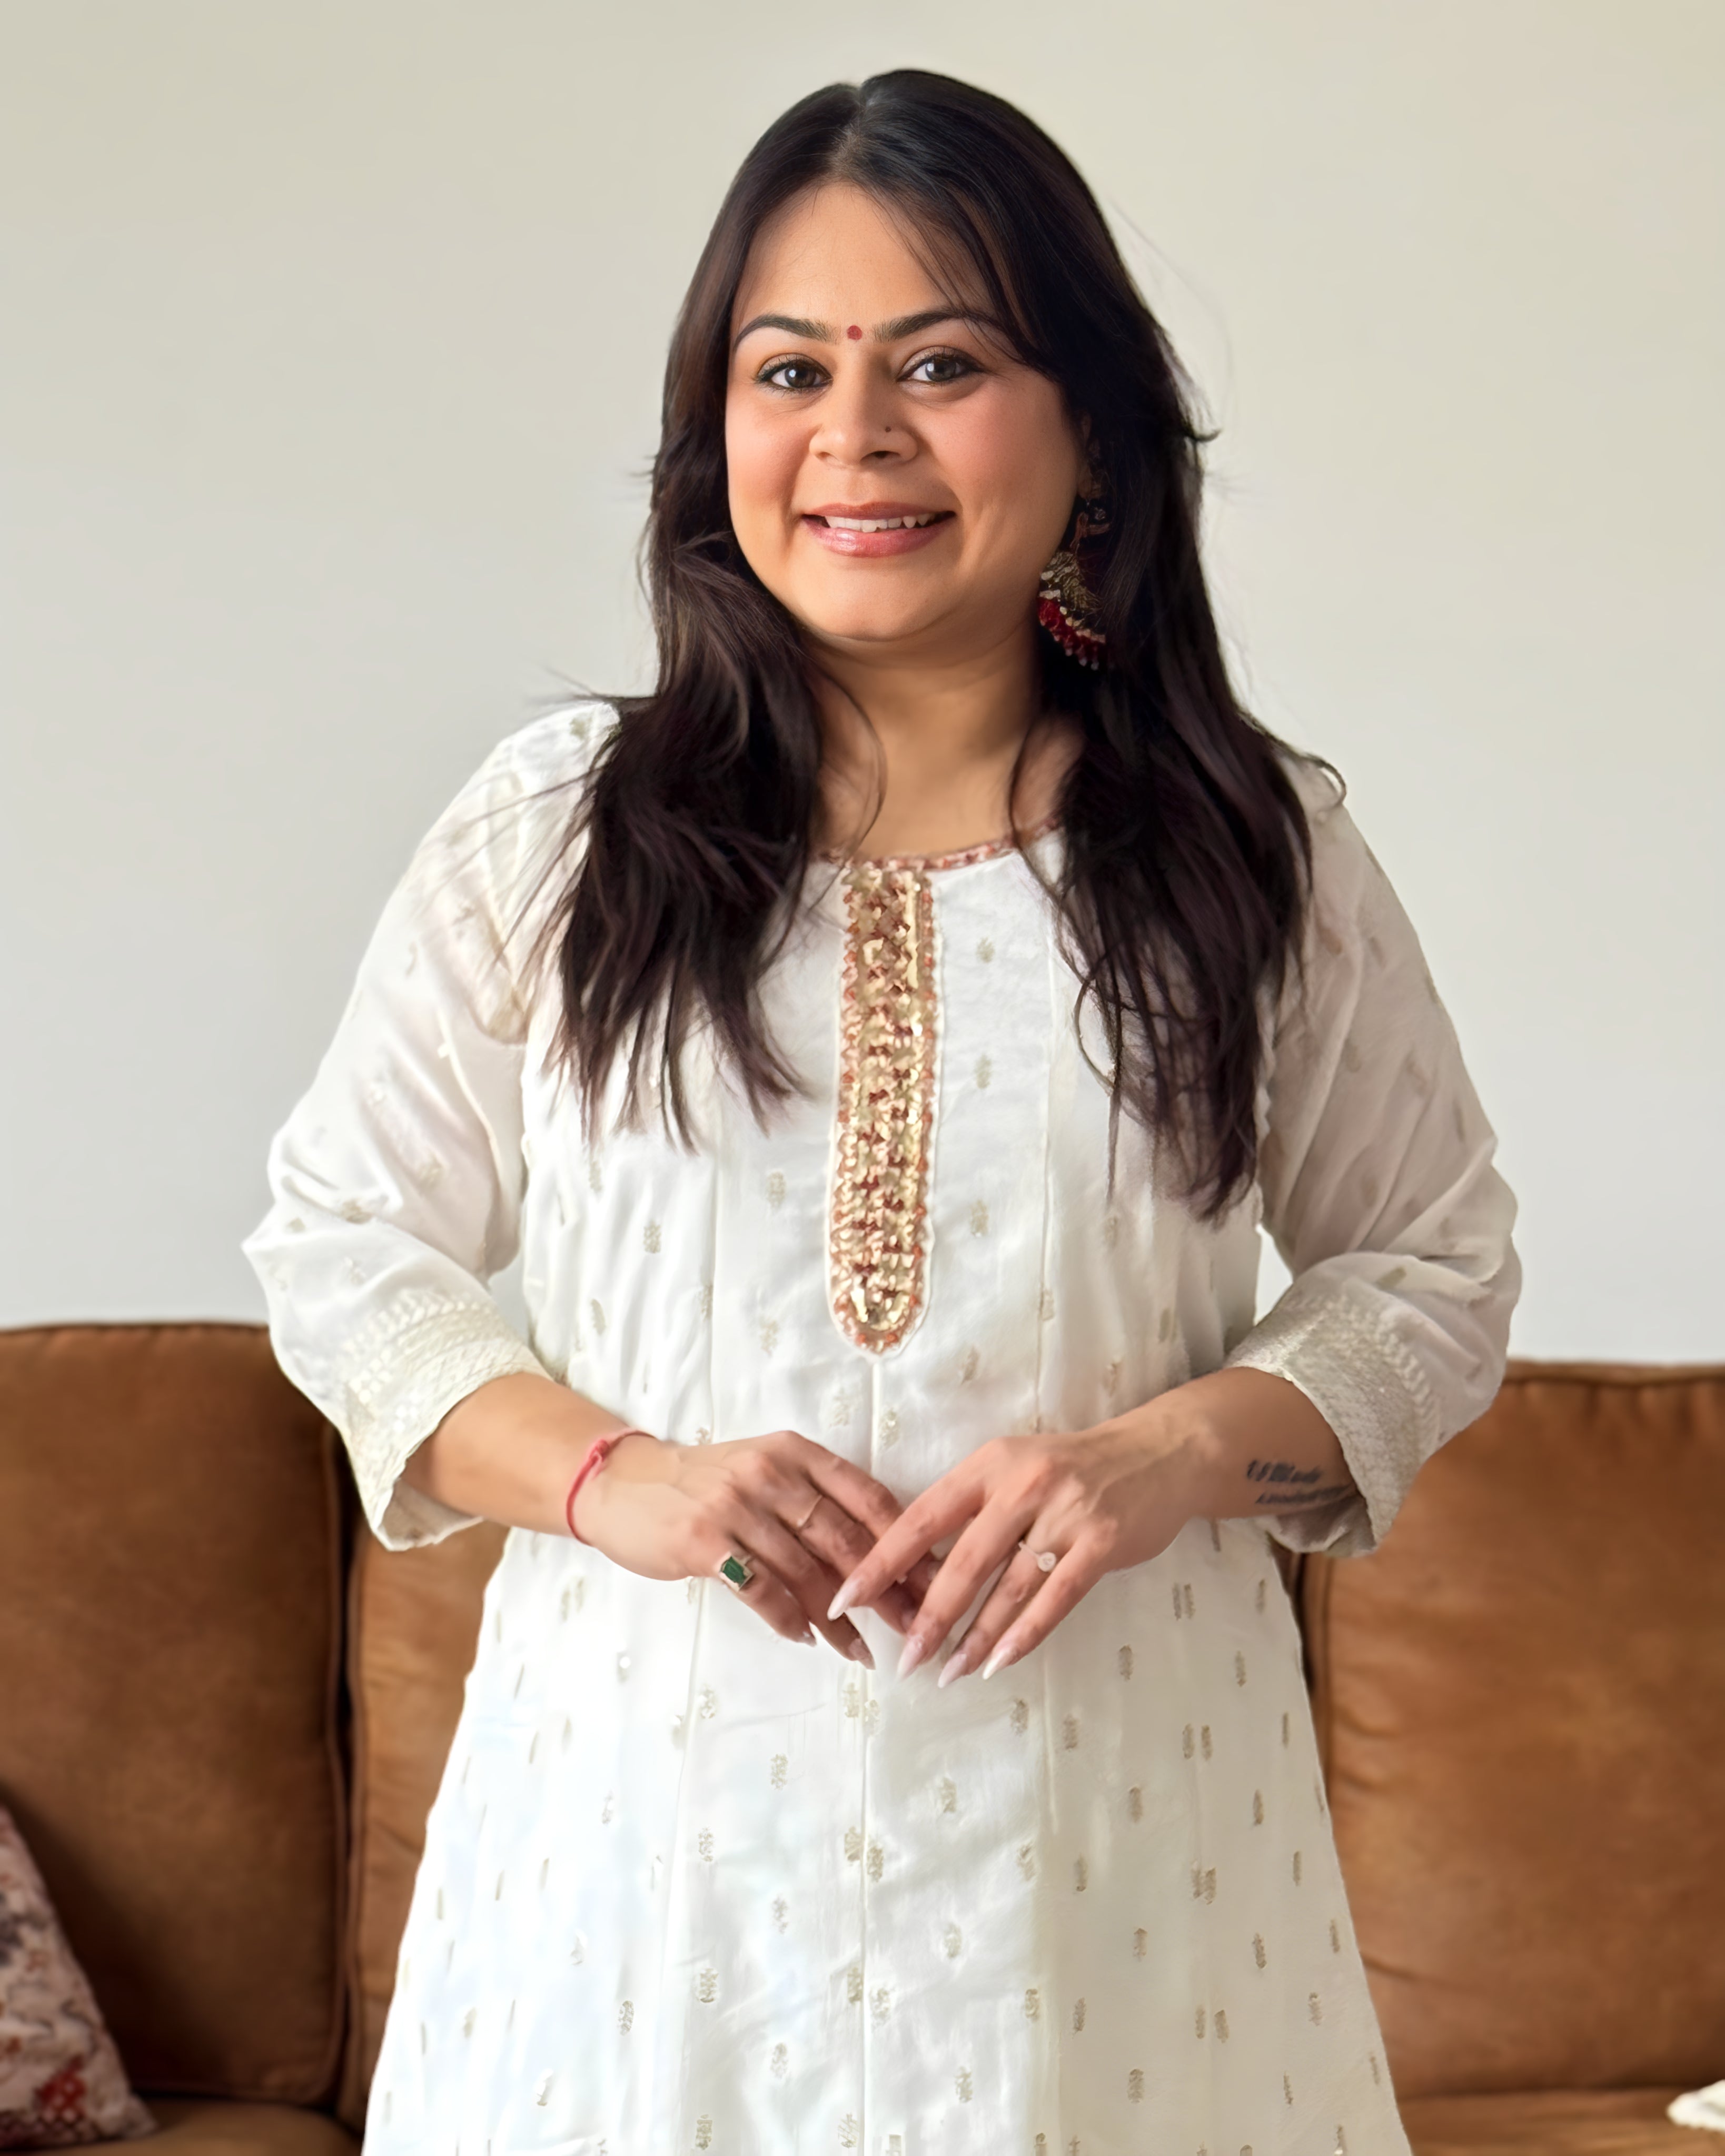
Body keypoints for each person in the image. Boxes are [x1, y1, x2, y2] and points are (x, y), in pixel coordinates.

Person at [245, 68, 1519, 2156]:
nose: (855, 435)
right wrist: (612, 1475)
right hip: (640, 1877)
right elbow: (341, 1246)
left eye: (944, 361)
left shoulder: (1245, 848)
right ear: (713, 433)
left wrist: (1169, 1452)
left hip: (1115, 1854)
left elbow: (1437, 1265)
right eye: (788, 368)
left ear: (1092, 435)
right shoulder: (560, 836)